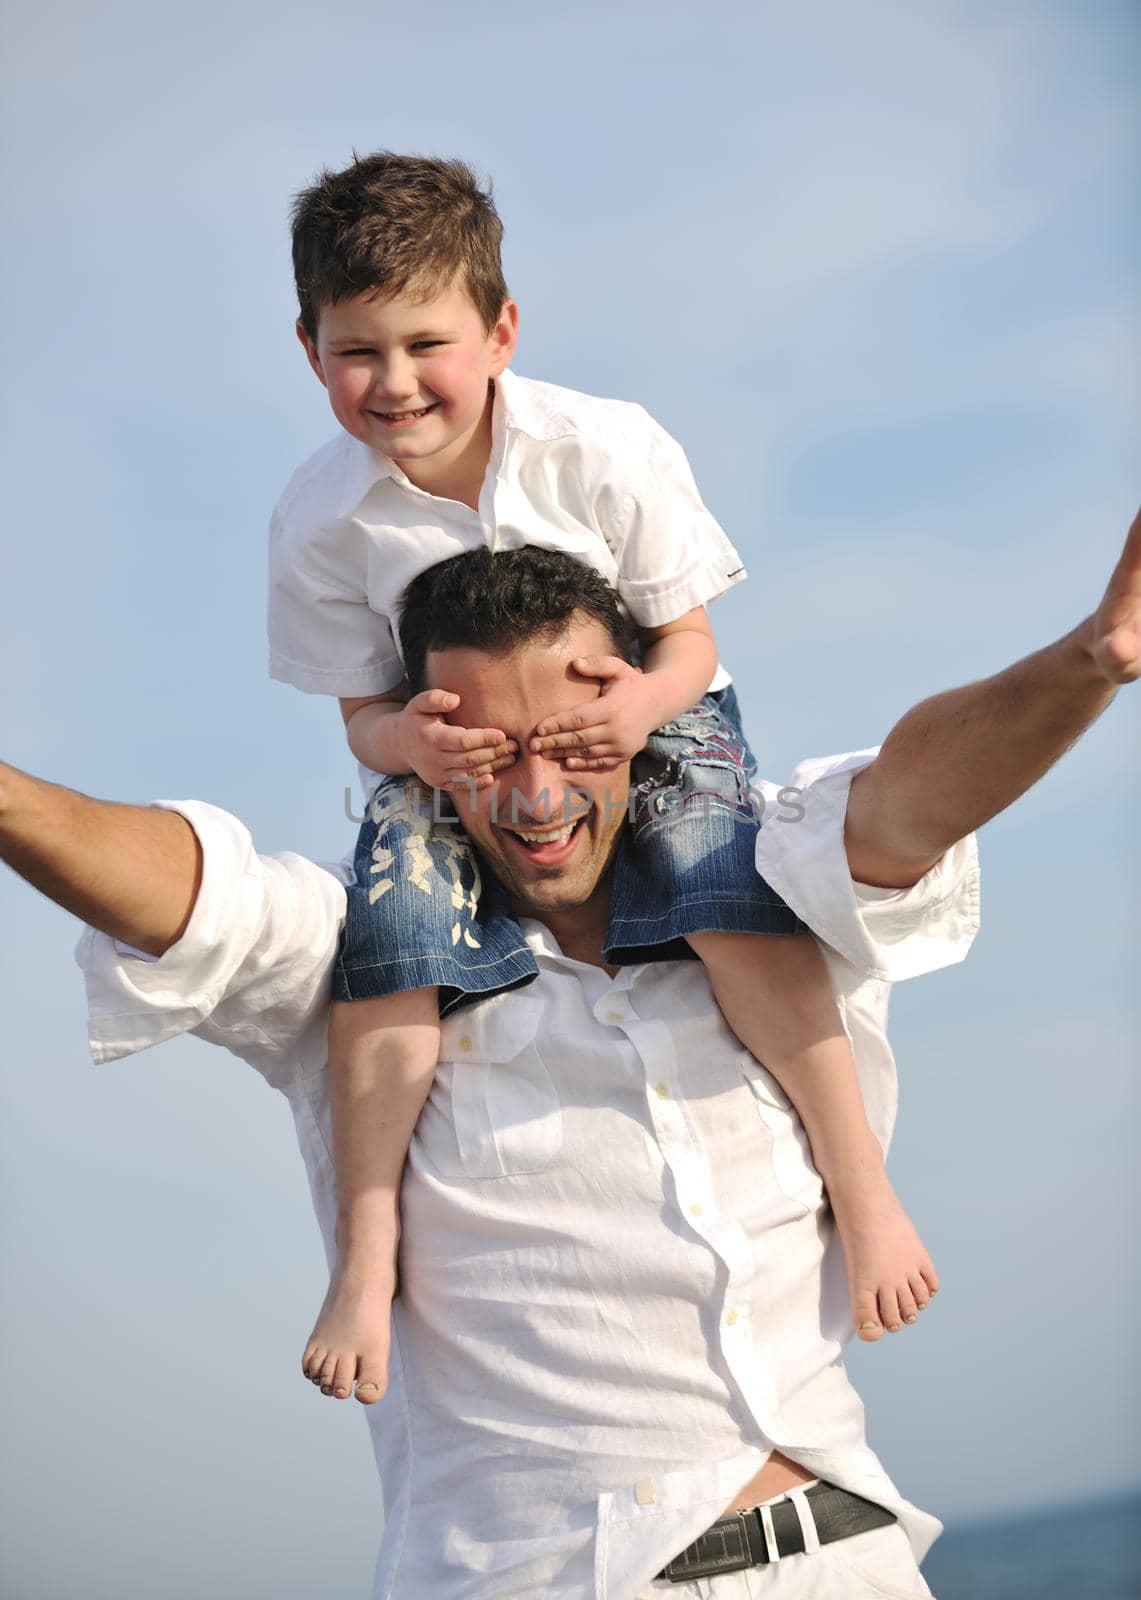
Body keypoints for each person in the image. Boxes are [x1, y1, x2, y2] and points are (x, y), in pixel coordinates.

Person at [2, 523, 1137, 1597]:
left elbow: (909, 800)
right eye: (492, 752)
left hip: (850, 1561)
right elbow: (198, 895)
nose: (536, 797)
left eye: (567, 745)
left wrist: (1094, 656)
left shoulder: (767, 903)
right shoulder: (373, 968)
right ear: (433, 750)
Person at [270, 151, 934, 1404]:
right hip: (449, 757)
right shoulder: (320, 519)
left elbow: (690, 642)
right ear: (310, 350)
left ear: (501, 330)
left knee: (719, 891)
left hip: (645, 718)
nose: (396, 383)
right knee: (393, 943)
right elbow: (361, 711)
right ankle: (365, 1256)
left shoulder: (604, 448)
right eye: (358, 352)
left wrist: (634, 708)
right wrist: (409, 748)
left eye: (428, 343)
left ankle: (865, 1185)